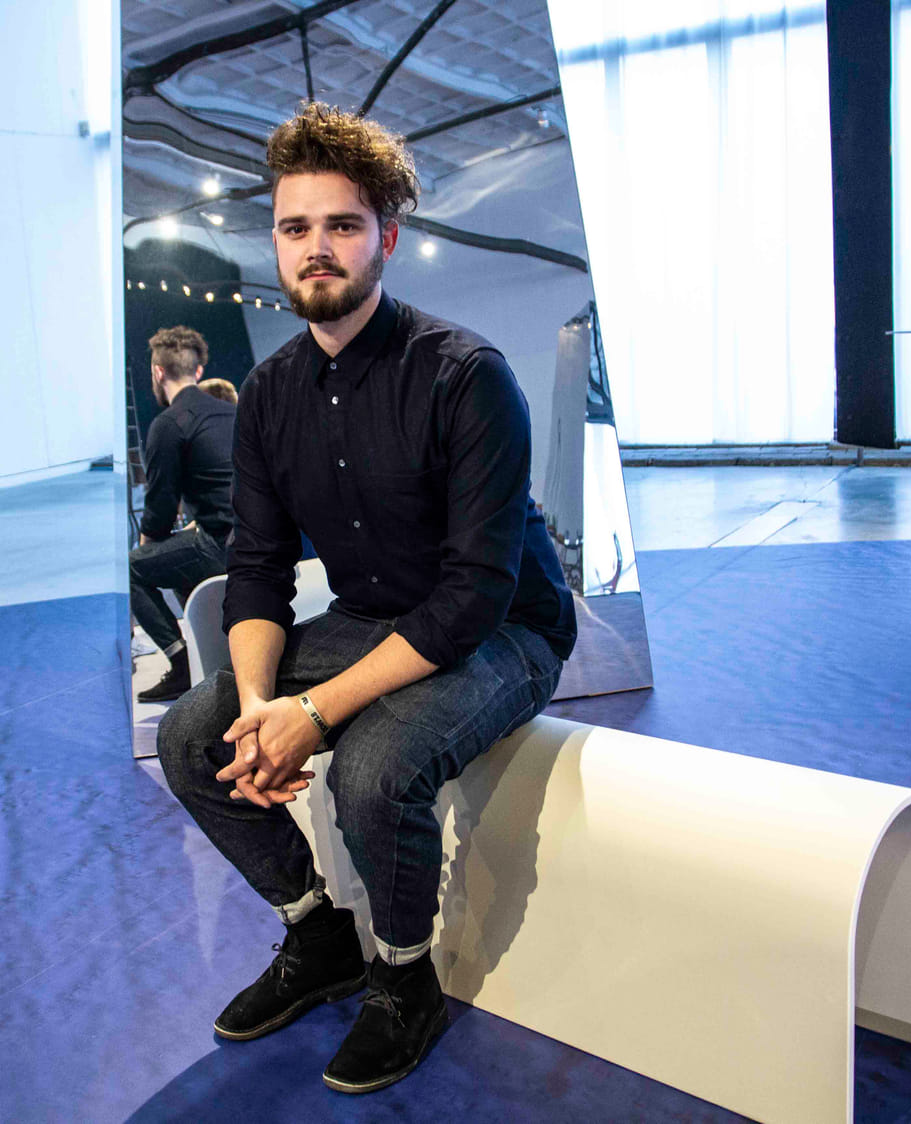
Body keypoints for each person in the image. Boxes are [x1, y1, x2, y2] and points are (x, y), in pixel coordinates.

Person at [156, 102, 576, 1096]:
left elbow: (474, 593)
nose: (317, 247)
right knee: (189, 736)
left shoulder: (467, 375)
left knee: (374, 770)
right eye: (295, 227)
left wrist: (312, 714)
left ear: (386, 237)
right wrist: (259, 708)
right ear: (276, 242)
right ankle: (317, 932)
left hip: (505, 628)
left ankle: (402, 977)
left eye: (342, 225)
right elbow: (258, 566)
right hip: (369, 616)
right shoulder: (268, 395)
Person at [131, 326, 235, 702]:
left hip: (220, 546)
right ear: (198, 370)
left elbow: (159, 511)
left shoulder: (169, 423)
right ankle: (206, 651)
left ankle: (181, 663)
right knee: (178, 554)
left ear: (158, 372)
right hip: (262, 541)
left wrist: (148, 550)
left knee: (130, 569)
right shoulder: (233, 413)